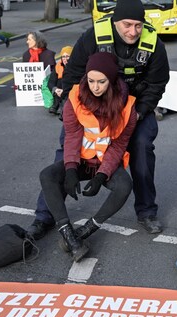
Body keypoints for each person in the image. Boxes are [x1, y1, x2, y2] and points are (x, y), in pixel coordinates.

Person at [26, 0, 170, 240]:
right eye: (126, 25)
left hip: (131, 109)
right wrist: (77, 109)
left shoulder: (154, 44)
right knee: (67, 149)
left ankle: (146, 211)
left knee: (142, 147)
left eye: (138, 25)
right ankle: (44, 215)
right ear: (115, 22)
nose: (132, 31)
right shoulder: (93, 37)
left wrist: (138, 113)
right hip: (91, 105)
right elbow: (72, 75)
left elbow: (157, 85)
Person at [39, 52, 137, 262]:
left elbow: (119, 146)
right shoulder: (74, 98)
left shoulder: (128, 108)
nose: (95, 87)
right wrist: (71, 169)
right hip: (82, 161)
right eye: (91, 81)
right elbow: (72, 136)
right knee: (47, 175)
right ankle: (68, 234)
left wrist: (101, 176)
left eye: (101, 82)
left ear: (111, 81)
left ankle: (86, 230)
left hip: (104, 163)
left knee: (124, 185)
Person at [47, 46, 71, 115]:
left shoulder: (75, 66)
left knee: (63, 81)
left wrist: (65, 91)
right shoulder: (58, 65)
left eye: (67, 56)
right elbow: (51, 81)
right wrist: (56, 89)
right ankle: (56, 104)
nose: (65, 59)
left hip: (69, 90)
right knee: (58, 81)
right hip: (60, 90)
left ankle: (61, 105)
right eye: (63, 57)